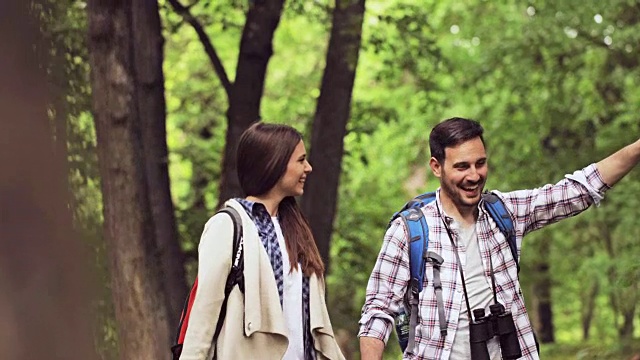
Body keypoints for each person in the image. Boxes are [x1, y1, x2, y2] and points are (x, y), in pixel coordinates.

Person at [358, 117, 640, 360]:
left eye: (480, 164)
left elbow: (576, 191)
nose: (474, 176)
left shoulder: (504, 212)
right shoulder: (409, 231)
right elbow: (378, 311)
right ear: (436, 167)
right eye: (462, 167)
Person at [180, 122, 345, 360]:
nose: (308, 168)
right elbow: (204, 316)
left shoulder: (296, 229)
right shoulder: (227, 226)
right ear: (274, 164)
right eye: (300, 160)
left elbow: (317, 326)